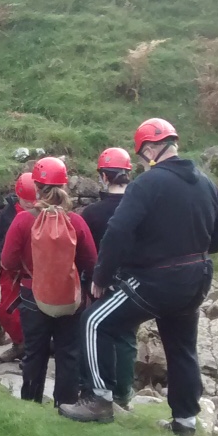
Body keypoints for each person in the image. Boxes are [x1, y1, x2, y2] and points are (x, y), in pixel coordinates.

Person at [59, 119, 218, 436]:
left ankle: (98, 400)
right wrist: (199, 251)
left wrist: (102, 275)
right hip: (197, 276)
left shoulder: (148, 183)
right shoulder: (205, 182)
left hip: (157, 278)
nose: (141, 162)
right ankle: (185, 422)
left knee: (93, 321)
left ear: (153, 149)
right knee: (182, 346)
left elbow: (118, 231)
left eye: (142, 155)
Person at [0, 157, 98, 407]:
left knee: (35, 353)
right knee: (68, 353)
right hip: (69, 298)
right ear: (64, 187)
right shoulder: (75, 221)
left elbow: (8, 261)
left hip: (33, 296)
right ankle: (65, 406)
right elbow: (91, 262)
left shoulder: (22, 221)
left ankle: (30, 404)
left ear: (36, 186)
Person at [79, 147, 137, 409]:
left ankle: (98, 390)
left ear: (103, 176)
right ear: (128, 173)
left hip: (98, 282)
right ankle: (123, 394)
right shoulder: (139, 208)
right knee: (125, 336)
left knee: (96, 330)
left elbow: (84, 252)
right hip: (135, 283)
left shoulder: (92, 213)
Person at [0, 172, 37, 348]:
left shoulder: (43, 213)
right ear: (18, 196)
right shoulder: (8, 213)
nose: (30, 205)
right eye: (27, 201)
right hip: (11, 271)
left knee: (34, 312)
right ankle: (20, 343)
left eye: (33, 201)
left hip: (33, 273)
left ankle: (30, 346)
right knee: (7, 311)